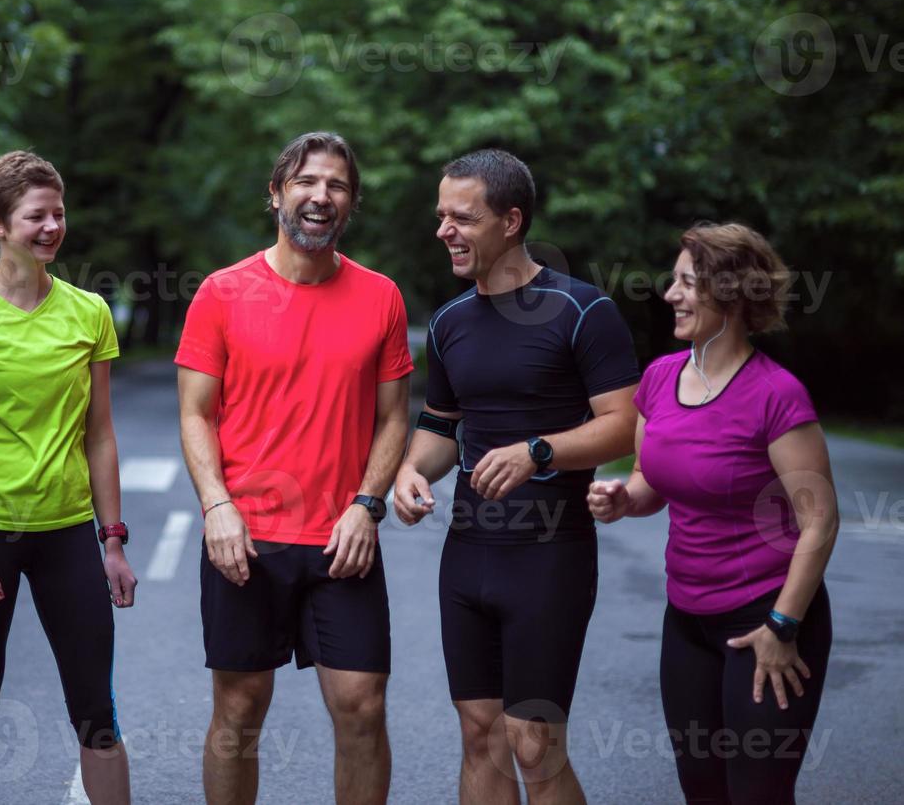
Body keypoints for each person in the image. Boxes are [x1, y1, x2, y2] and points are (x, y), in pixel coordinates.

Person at [393, 149, 640, 805]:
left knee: (533, 741)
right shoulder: (448, 323)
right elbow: (441, 425)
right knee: (479, 734)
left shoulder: (583, 311)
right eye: (440, 215)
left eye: (460, 217)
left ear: (510, 220)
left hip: (548, 557)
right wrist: (410, 473)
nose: (443, 229)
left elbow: (624, 424)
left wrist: (539, 451)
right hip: (468, 555)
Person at [176, 131, 414, 805]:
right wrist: (216, 506)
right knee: (239, 710)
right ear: (276, 193)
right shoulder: (222, 293)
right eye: (306, 181)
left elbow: (394, 416)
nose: (321, 195)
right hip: (245, 538)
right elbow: (195, 413)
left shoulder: (380, 297)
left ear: (350, 203)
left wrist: (367, 506)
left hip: (342, 537)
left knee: (362, 706)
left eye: (336, 185)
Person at [588, 223, 837, 805]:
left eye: (686, 283)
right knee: (702, 789)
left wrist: (783, 627)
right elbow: (652, 480)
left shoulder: (776, 395)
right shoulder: (659, 378)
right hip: (688, 620)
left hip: (768, 617)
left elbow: (820, 521)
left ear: (731, 294)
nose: (670, 295)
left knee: (757, 792)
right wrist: (625, 498)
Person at [0, 151, 136, 805]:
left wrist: (112, 540)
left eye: (58, 213)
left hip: (68, 535)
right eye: (34, 216)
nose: (51, 227)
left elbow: (99, 433)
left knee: (97, 715)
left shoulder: (88, 313)